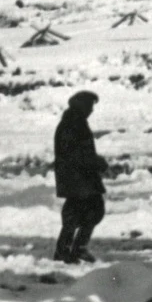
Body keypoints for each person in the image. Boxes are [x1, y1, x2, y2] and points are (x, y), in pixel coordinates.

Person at [52, 90, 107, 264]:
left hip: (79, 177)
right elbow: (76, 154)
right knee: (83, 212)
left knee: (86, 211)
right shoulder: (73, 124)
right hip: (76, 178)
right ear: (81, 105)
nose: (92, 110)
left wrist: (95, 162)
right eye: (89, 106)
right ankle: (68, 249)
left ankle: (72, 248)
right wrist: (96, 162)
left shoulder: (75, 121)